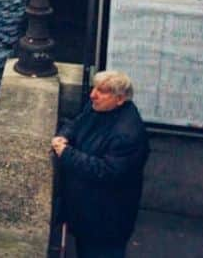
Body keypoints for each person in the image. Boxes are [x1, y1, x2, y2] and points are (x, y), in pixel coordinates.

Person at [52, 69, 150, 258]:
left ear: (120, 99)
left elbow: (106, 171)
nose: (92, 94)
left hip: (106, 220)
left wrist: (66, 153)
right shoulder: (98, 107)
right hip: (88, 213)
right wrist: (64, 136)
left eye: (102, 91)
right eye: (94, 88)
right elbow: (77, 123)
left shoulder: (128, 135)